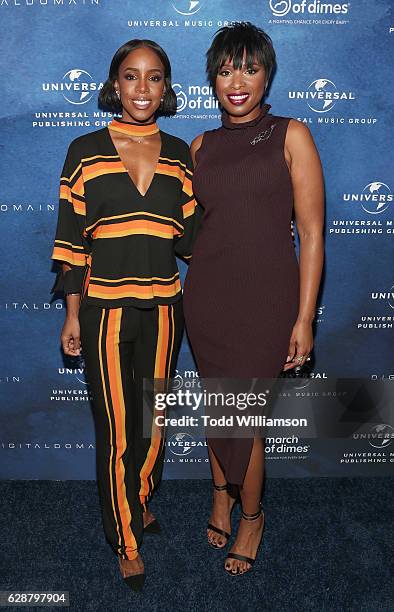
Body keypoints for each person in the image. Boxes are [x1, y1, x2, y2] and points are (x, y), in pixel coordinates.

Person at [50, 39, 198, 592]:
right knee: (116, 430)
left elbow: (193, 238)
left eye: (154, 77)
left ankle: (137, 499)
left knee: (152, 421)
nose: (142, 88)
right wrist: (71, 315)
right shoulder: (84, 150)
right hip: (103, 312)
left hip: (164, 309)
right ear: (114, 84)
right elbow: (70, 243)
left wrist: (255, 237)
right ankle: (125, 539)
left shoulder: (182, 153)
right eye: (131, 77)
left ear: (166, 87)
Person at [183, 22, 324, 576]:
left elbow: (311, 233)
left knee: (248, 415)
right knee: (219, 406)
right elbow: (190, 229)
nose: (236, 81)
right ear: (212, 80)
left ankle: (251, 516)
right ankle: (221, 493)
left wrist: (304, 318)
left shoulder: (292, 134)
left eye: (249, 67)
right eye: (224, 70)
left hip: (268, 298)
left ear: (267, 75)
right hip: (208, 296)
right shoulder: (200, 146)